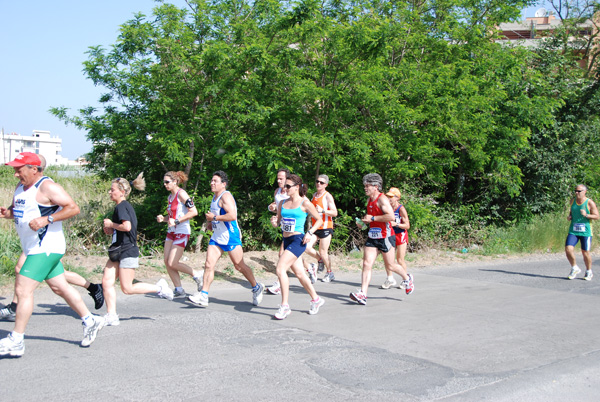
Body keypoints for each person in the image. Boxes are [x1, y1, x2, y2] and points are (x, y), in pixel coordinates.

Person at [0, 152, 105, 357]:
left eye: (19, 169)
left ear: (34, 168)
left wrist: (47, 220)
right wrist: (7, 214)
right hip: (33, 247)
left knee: (23, 290)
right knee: (59, 287)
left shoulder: (48, 187)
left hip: (46, 247)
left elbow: (73, 208)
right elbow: (18, 210)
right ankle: (91, 320)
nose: (15, 174)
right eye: (14, 169)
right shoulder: (21, 187)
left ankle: (17, 340)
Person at [102, 175, 174, 327]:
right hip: (118, 249)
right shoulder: (121, 206)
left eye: (112, 189)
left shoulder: (122, 206)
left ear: (122, 191)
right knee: (107, 282)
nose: (109, 192)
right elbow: (123, 229)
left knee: (127, 288)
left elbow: (127, 227)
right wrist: (111, 229)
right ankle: (112, 315)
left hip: (127, 250)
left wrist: (111, 224)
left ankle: (160, 288)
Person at [188, 171, 264, 307]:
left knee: (239, 266)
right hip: (217, 237)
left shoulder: (226, 196)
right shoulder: (214, 196)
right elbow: (217, 215)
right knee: (208, 265)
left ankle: (256, 287)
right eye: (211, 180)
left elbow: (232, 216)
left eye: (215, 181)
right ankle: (204, 295)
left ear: (223, 184)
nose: (212, 183)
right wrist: (212, 224)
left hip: (230, 236)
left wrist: (214, 218)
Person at [350, 173, 414, 306]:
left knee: (390, 265)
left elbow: (390, 217)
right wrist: (364, 223)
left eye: (367, 186)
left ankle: (407, 278)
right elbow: (371, 217)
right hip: (373, 236)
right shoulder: (369, 201)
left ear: (375, 186)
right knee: (367, 264)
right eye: (365, 185)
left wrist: (372, 219)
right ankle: (363, 294)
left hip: (386, 236)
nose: (365, 188)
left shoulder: (382, 199)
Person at [273, 174, 325, 319]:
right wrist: (274, 222)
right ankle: (316, 299)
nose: (285, 188)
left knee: (280, 269)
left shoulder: (305, 203)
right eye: (285, 186)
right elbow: (278, 222)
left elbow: (319, 220)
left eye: (288, 186)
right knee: (300, 274)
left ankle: (284, 306)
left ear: (296, 188)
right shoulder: (282, 203)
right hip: (286, 239)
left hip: (298, 240)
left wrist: (309, 232)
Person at [0, 253, 104, 321]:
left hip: (46, 241)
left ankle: (15, 308)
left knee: (21, 268)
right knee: (58, 275)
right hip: (39, 241)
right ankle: (93, 289)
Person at [156, 171, 203, 297]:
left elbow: (194, 212)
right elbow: (172, 217)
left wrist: (176, 221)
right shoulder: (170, 197)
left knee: (173, 262)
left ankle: (196, 274)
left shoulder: (181, 194)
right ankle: (179, 289)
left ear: (175, 181)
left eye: (167, 182)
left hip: (182, 231)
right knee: (167, 261)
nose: (165, 184)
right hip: (172, 231)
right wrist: (163, 219)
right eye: (164, 182)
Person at [304, 174, 338, 283]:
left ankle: (329, 272)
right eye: (317, 181)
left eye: (321, 182)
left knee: (323, 252)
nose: (318, 184)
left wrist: (323, 211)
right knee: (306, 247)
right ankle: (320, 260)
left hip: (326, 226)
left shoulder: (327, 196)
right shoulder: (314, 195)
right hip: (315, 227)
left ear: (326, 185)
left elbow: (335, 213)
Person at [566, 184, 599, 280]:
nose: (576, 193)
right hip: (573, 230)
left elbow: (597, 216)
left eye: (579, 191)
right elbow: (571, 212)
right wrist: (570, 217)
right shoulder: (572, 201)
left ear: (584, 192)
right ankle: (574, 267)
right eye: (575, 191)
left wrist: (587, 215)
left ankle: (589, 271)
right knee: (568, 249)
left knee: (585, 253)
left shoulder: (589, 203)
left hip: (586, 232)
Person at [380, 187, 410, 289]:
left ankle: (405, 280)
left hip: (400, 234)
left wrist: (396, 224)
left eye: (391, 197)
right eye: (388, 196)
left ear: (397, 198)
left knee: (400, 259)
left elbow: (407, 225)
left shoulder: (401, 209)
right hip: (390, 234)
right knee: (389, 260)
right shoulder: (387, 208)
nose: (389, 198)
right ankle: (390, 279)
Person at [266, 168, 290, 295]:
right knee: (295, 262)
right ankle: (310, 267)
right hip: (284, 227)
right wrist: (273, 209)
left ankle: (279, 284)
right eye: (278, 178)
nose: (279, 180)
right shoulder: (277, 191)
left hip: (294, 228)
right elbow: (279, 210)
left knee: (282, 254)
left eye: (281, 178)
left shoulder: (292, 192)